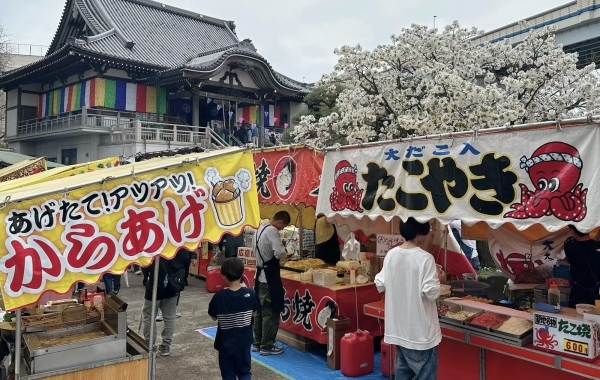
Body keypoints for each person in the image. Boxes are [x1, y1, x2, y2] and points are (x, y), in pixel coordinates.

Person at [375, 217, 445, 380]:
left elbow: (379, 283)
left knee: (403, 373)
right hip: (420, 333)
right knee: (424, 375)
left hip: (399, 331)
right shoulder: (425, 258)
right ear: (420, 233)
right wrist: (438, 279)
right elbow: (431, 293)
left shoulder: (391, 255)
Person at [209, 258, 258, 380]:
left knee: (228, 375)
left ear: (224, 276)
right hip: (244, 343)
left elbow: (213, 317)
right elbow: (255, 313)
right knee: (245, 373)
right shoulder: (250, 294)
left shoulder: (218, 297)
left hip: (225, 345)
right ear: (242, 273)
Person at [142, 248, 194, 356]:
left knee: (149, 315)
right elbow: (185, 261)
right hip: (174, 284)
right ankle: (165, 345)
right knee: (169, 317)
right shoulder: (179, 243)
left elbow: (146, 263)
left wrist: (146, 276)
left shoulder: (156, 241)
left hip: (154, 285)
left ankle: (150, 344)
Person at [253, 211, 291, 355]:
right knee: (271, 312)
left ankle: (257, 342)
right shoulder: (272, 231)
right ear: (280, 222)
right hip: (269, 278)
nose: (281, 230)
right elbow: (280, 253)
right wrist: (284, 251)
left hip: (259, 275)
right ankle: (267, 346)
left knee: (260, 312)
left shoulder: (259, 229)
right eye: (283, 227)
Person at [564, 225, 600, 307]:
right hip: (596, 291)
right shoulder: (597, 246)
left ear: (573, 231)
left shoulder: (570, 246)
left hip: (578, 291)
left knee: (575, 317)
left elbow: (568, 241)